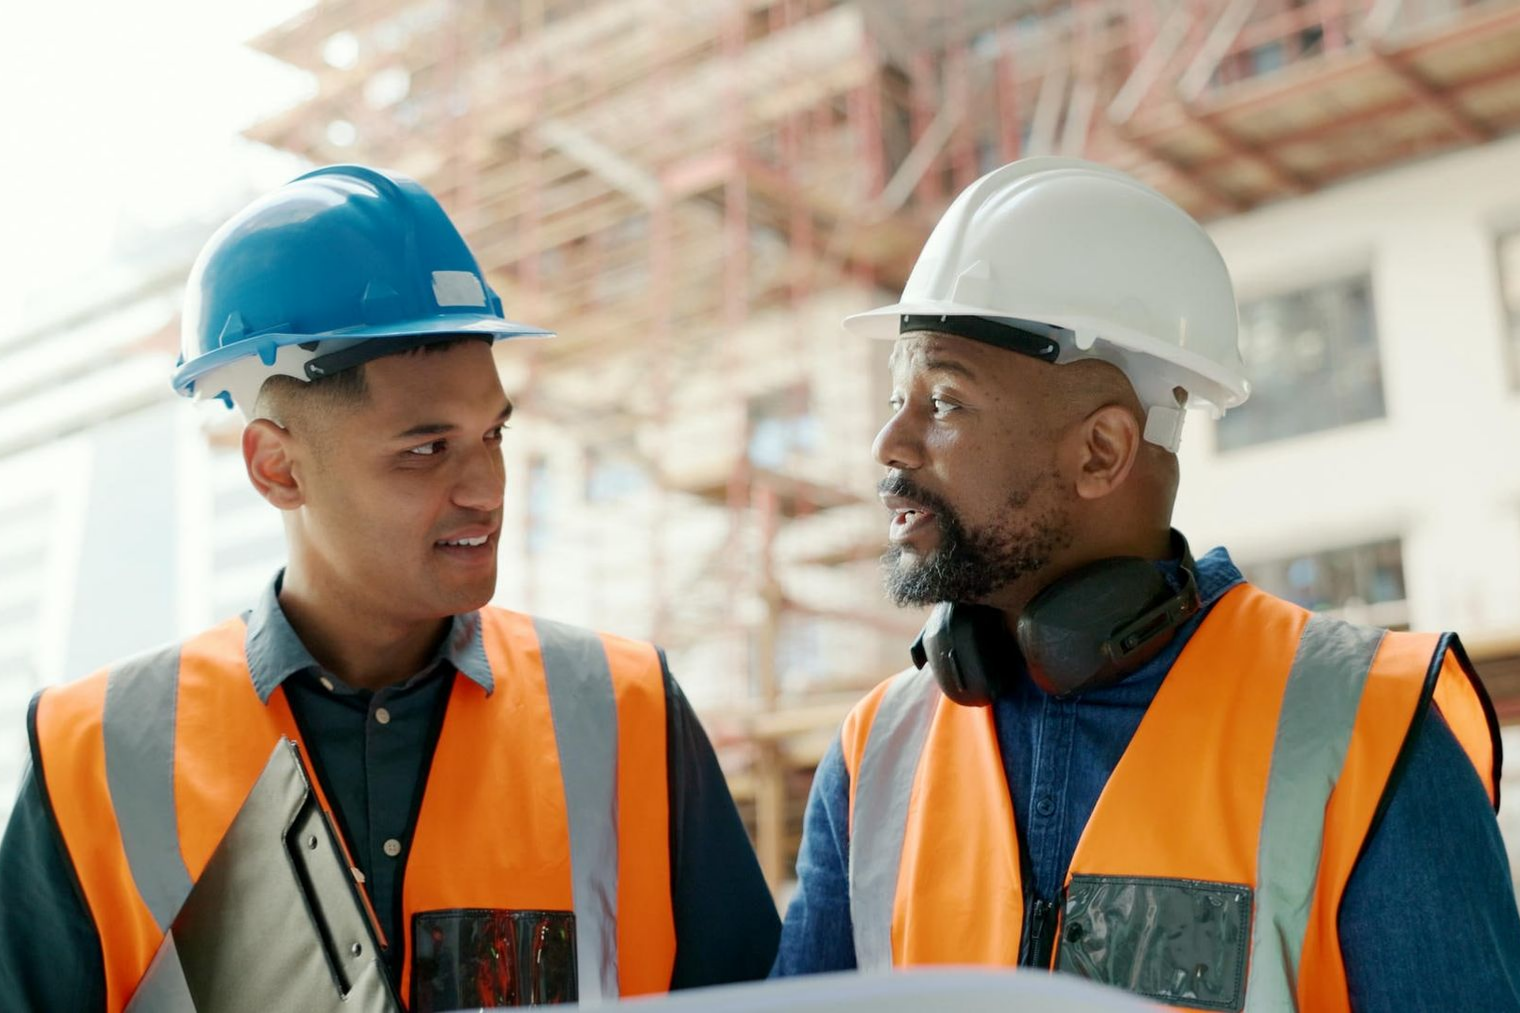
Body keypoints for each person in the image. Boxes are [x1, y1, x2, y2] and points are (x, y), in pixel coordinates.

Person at [0, 165, 779, 1011]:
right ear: (276, 465)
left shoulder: (627, 712)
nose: (486, 486)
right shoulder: (98, 754)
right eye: (426, 448)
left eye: (493, 433)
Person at [773, 157, 1520, 1010]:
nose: (889, 444)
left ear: (1101, 452)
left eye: (942, 401)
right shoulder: (876, 758)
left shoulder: (1369, 730)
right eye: (897, 396)